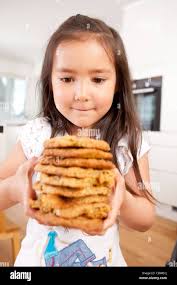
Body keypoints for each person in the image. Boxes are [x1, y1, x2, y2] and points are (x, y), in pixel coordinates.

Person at [0, 14, 155, 267]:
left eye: (97, 79)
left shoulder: (127, 141)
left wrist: (122, 200)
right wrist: (13, 190)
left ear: (117, 84)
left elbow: (146, 217)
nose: (81, 94)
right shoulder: (37, 134)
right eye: (67, 78)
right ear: (50, 81)